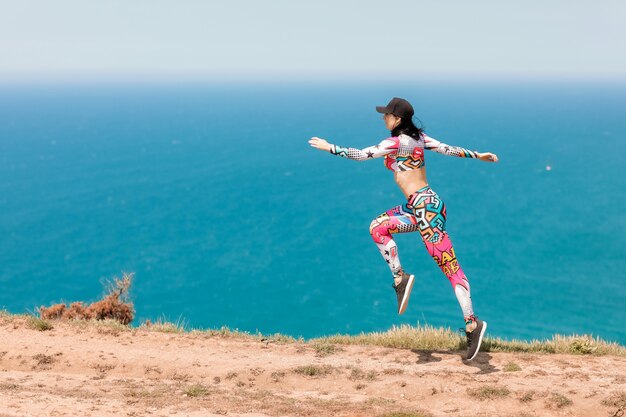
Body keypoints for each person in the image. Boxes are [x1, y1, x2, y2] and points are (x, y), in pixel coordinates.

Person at [308, 97, 499, 361]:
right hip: (418, 207)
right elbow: (447, 149)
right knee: (377, 227)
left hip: (426, 211)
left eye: (386, 115)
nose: (382, 118)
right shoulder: (420, 138)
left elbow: (362, 155)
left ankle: (472, 323)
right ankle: (400, 279)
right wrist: (479, 155)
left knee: (452, 269)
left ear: (397, 119)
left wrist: (330, 147)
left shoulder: (395, 143)